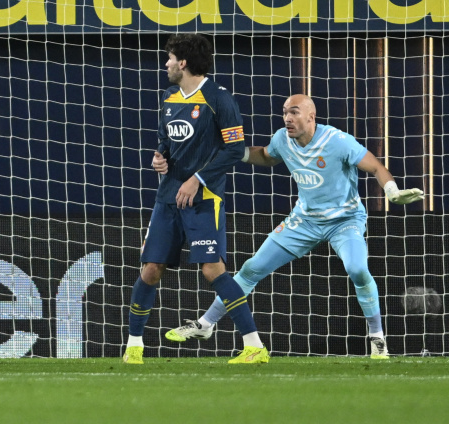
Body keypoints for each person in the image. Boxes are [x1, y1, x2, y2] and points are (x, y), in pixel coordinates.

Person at [165, 94, 424, 359]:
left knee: (357, 269)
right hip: (304, 221)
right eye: (285, 112)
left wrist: (392, 191)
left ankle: (377, 337)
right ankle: (205, 324)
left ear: (311, 116)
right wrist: (236, 152)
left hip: (344, 221)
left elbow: (376, 167)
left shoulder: (337, 141)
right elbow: (266, 156)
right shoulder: (282, 138)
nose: (288, 118)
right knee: (252, 267)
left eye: (295, 112)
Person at [123, 33, 269, 365]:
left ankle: (254, 346)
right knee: (150, 269)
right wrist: (159, 159)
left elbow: (235, 149)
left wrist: (196, 179)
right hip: (168, 198)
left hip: (204, 198)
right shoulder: (169, 96)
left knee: (212, 270)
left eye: (170, 57)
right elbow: (165, 141)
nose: (167, 63)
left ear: (184, 62)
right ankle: (134, 346)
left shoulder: (219, 98)